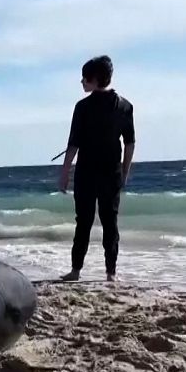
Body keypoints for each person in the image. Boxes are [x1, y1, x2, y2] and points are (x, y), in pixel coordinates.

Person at [59, 55, 135, 283]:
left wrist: (64, 173)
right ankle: (109, 273)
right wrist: (125, 171)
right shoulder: (123, 105)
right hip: (108, 172)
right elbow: (130, 143)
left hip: (89, 173)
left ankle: (78, 271)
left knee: (86, 222)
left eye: (85, 78)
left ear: (95, 79)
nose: (82, 82)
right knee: (107, 222)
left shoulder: (86, 107)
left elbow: (73, 144)